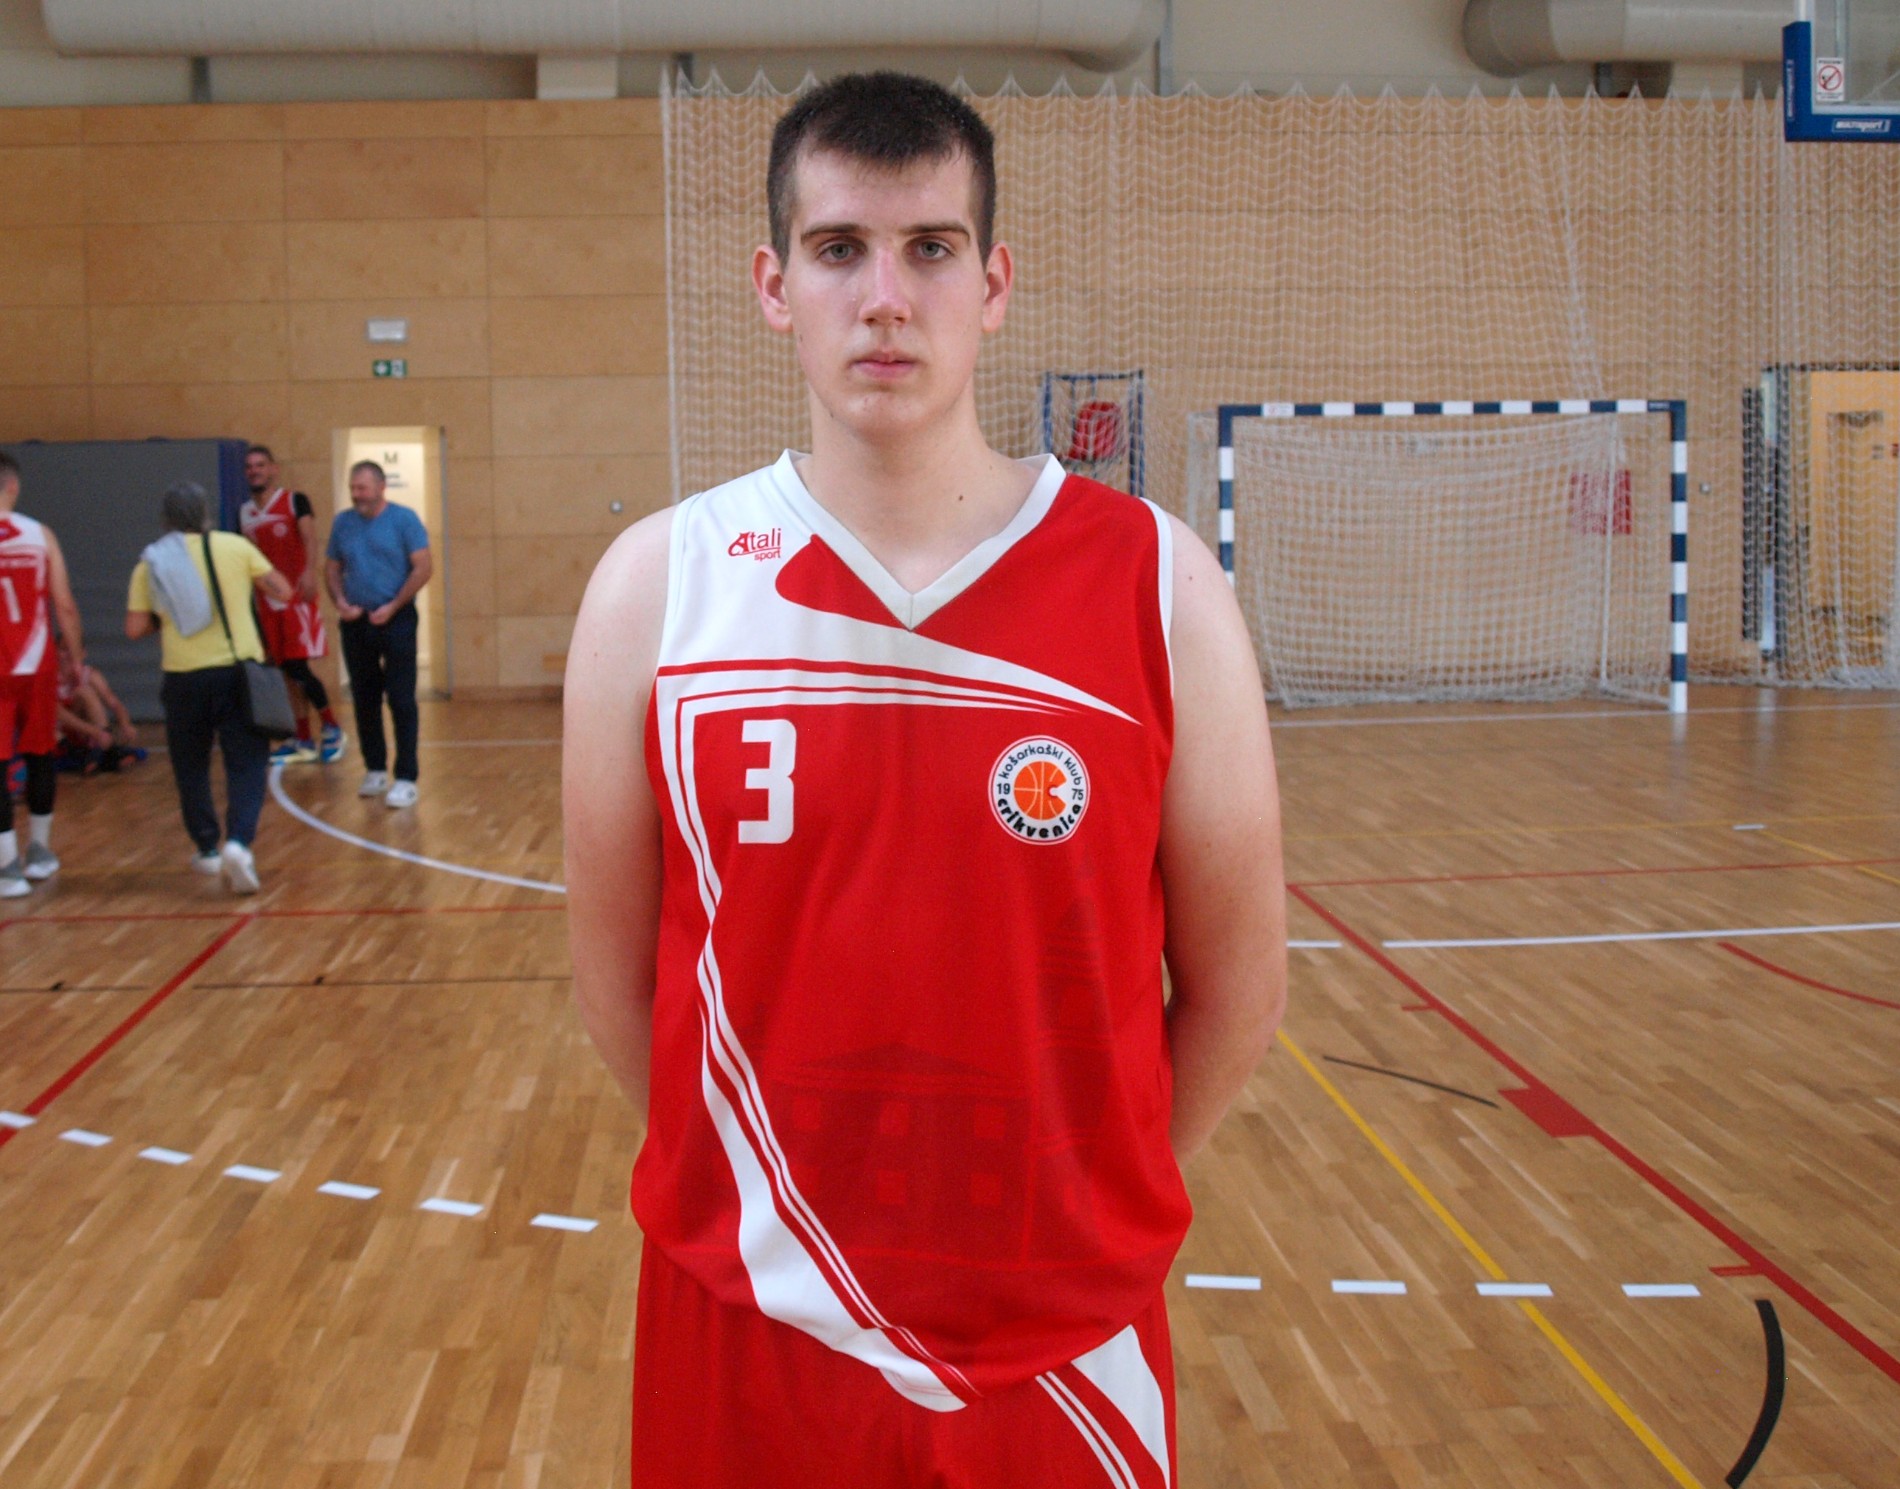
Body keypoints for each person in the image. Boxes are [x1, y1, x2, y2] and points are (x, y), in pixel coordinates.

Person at [563, 72, 1286, 1489]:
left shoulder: (1159, 586)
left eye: (930, 248)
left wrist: (1078, 1196)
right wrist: (778, 1206)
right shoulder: (659, 586)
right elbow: (616, 989)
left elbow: (1238, 988)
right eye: (839, 249)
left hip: (1061, 1340)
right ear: (775, 286)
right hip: (744, 1318)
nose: (885, 299)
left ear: (993, 283)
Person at [126, 481, 292, 894]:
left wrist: (171, 613)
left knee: (191, 767)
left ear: (165, 519)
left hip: (183, 678)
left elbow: (134, 628)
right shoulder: (235, 548)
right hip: (238, 675)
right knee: (247, 763)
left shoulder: (152, 563)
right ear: (205, 513)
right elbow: (283, 590)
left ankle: (207, 848)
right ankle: (239, 842)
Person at [0, 451, 83, 897]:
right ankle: (39, 852)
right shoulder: (39, 535)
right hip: (36, 663)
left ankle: (6, 867)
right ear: (13, 486)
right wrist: (77, 658)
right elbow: (63, 604)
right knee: (39, 754)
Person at [325, 461, 430, 809]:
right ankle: (374, 769)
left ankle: (406, 776)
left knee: (400, 698)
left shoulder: (404, 520)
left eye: (363, 488)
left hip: (397, 619)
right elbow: (332, 568)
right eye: (353, 488)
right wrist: (340, 602)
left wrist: (395, 605)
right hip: (357, 621)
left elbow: (423, 567)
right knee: (364, 697)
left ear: (381, 487)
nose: (357, 495)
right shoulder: (343, 523)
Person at [239, 444, 346, 766]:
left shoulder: (294, 501)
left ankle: (332, 727)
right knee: (284, 671)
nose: (255, 470)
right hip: (266, 602)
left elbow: (310, 539)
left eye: (260, 465)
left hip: (296, 596)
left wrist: (309, 572)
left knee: (298, 667)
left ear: (273, 469)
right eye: (249, 466)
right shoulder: (244, 513)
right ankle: (302, 738)